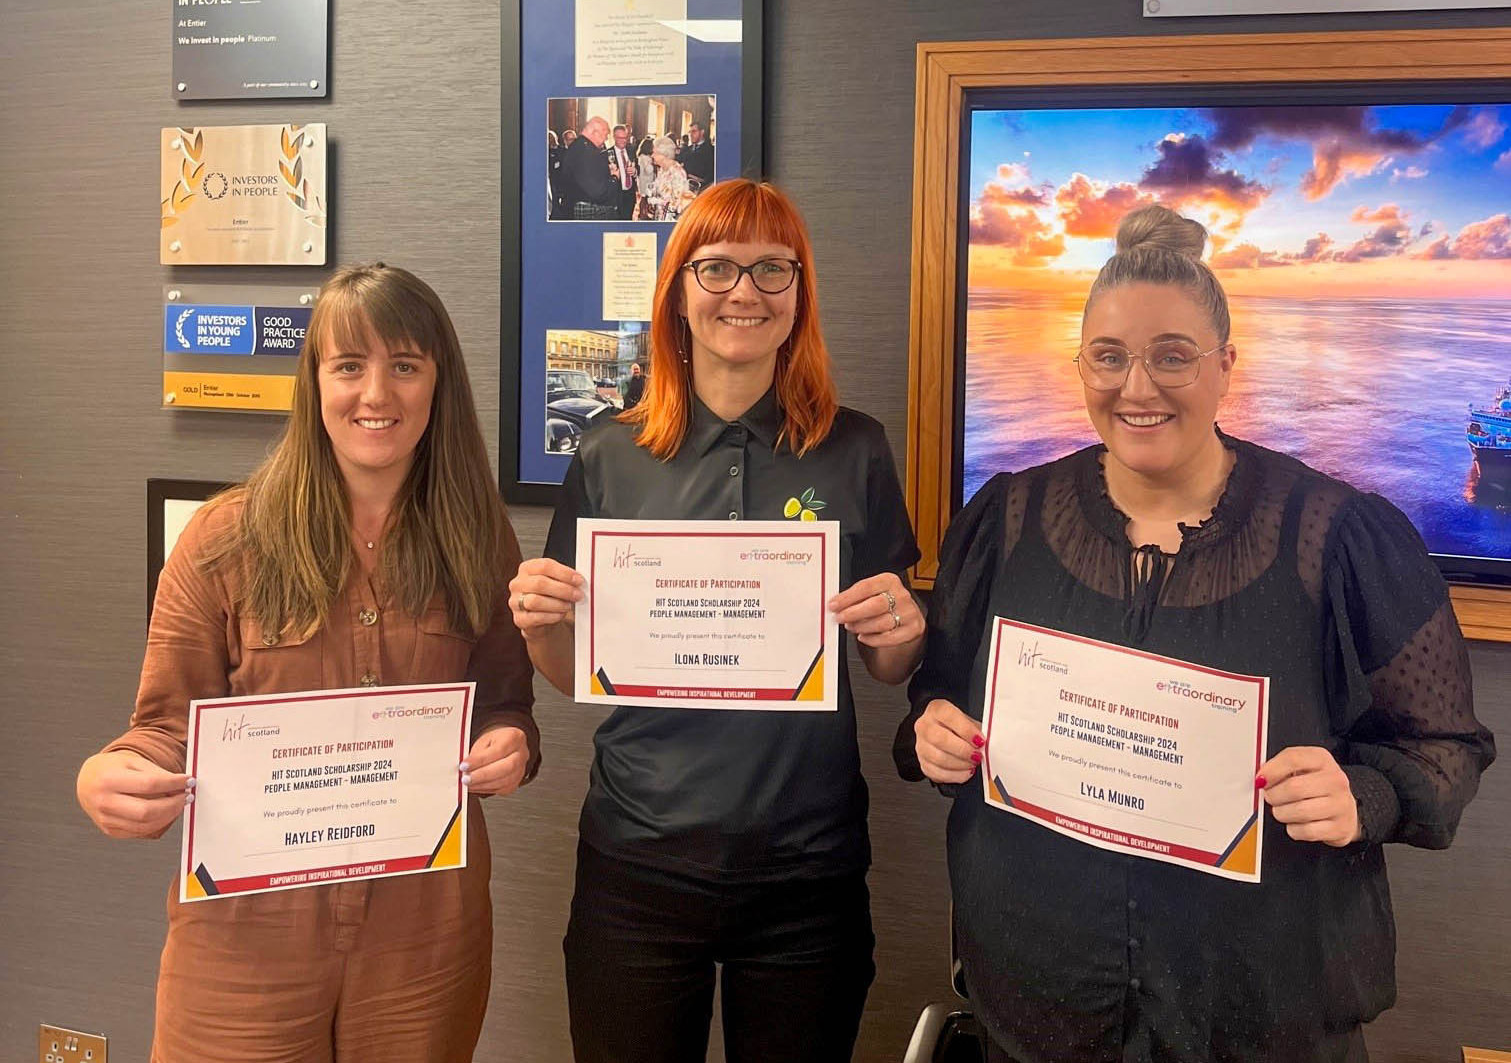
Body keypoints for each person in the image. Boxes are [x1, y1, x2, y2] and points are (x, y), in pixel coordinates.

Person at [898, 204, 1495, 1063]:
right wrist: (936, 732)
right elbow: (942, 693)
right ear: (1078, 364)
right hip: (1039, 1003)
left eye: (1172, 356)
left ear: (1224, 365)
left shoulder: (1338, 535)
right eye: (1108, 356)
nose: (1136, 387)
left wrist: (1360, 797)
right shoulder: (1007, 518)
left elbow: (1445, 745)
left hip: (1257, 1008)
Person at [76, 263, 540, 1063]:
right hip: (245, 945)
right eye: (348, 365)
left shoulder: (478, 537)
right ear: (313, 381)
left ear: (438, 384)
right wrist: (108, 775)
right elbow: (162, 729)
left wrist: (512, 745)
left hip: (423, 943)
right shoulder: (224, 538)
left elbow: (505, 704)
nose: (376, 394)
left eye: (404, 365)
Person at [508, 179, 925, 1063]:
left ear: (800, 292)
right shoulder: (607, 452)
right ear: (677, 291)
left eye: (773, 268)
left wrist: (905, 632)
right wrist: (541, 622)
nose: (745, 291)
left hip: (807, 866)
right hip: (638, 860)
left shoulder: (856, 447)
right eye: (718, 267)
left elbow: (887, 667)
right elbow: (571, 667)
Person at [558, 117, 620, 221]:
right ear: (595, 132)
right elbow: (598, 192)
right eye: (605, 135)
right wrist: (614, 177)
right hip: (590, 209)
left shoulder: (579, 146)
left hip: (582, 205)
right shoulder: (586, 152)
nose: (606, 139)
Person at [646, 136, 693, 222]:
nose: (652, 155)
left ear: (664, 154)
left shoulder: (678, 173)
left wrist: (655, 201)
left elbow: (677, 205)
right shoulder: (662, 169)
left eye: (654, 153)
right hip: (659, 216)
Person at [607, 123, 638, 220]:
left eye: (625, 137)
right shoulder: (607, 154)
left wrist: (635, 171)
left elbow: (638, 167)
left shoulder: (631, 150)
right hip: (616, 196)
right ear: (614, 137)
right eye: (620, 138)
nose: (623, 141)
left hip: (630, 195)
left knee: (628, 223)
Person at [677, 121, 715, 193]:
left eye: (694, 131)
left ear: (702, 132)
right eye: (690, 132)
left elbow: (711, 175)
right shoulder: (686, 150)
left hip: (702, 190)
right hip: (684, 189)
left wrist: (699, 180)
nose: (691, 135)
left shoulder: (711, 151)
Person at [635, 136, 657, 219]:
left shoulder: (643, 156)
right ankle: (642, 214)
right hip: (645, 181)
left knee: (644, 198)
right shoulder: (644, 157)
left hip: (645, 180)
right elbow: (649, 170)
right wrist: (653, 164)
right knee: (644, 198)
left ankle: (643, 213)